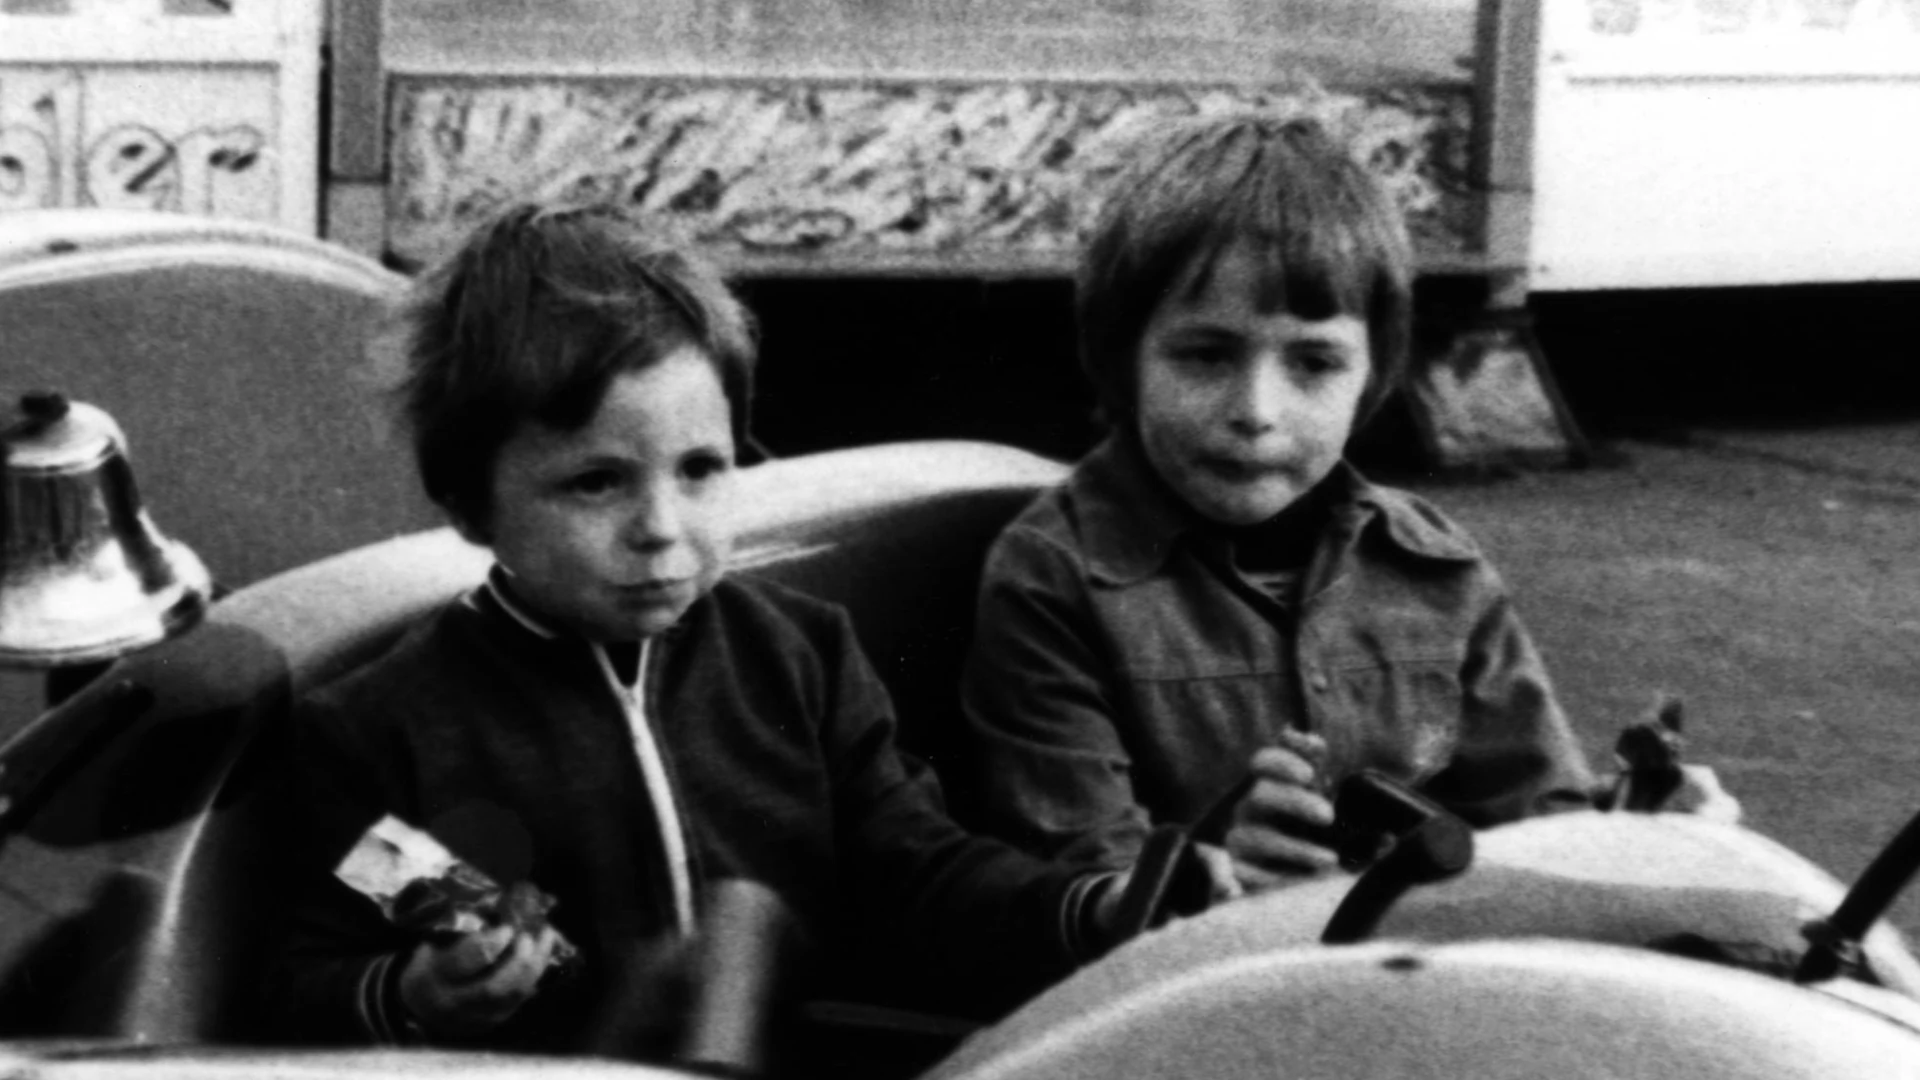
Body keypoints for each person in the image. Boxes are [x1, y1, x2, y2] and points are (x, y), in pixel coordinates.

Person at [261, 202, 1151, 1059]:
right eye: (597, 482)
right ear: (468, 503)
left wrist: (1094, 909)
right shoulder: (376, 733)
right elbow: (304, 986)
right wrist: (417, 994)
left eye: (699, 470)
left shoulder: (800, 659)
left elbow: (917, 878)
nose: (661, 525)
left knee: (749, 932)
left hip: (785, 1059)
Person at [959, 113, 1619, 894]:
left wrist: (1643, 830)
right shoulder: (1055, 578)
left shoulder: (1435, 565)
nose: (1257, 409)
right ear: (1120, 357)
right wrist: (1217, 876)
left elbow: (1545, 824)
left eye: (1313, 362)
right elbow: (1085, 880)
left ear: (1371, 377)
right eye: (1206, 355)